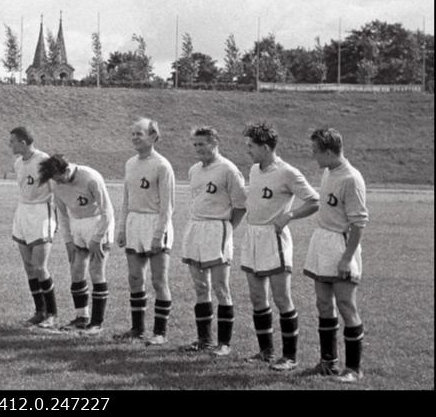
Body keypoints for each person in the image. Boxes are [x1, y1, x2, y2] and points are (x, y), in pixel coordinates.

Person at [241, 122, 319, 370]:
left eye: (251, 146)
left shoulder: (288, 172)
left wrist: (289, 216)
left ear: (265, 147)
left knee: (281, 298)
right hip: (252, 236)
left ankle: (290, 357)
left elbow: (314, 201)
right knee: (256, 297)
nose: (248, 150)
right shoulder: (254, 170)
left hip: (274, 239)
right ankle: (265, 352)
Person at [303, 128, 368, 383]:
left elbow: (359, 223)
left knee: (346, 305)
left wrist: (346, 258)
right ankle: (328, 362)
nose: (313, 157)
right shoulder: (329, 171)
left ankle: (353, 369)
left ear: (329, 152)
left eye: (316, 152)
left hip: (341, 245)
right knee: (323, 303)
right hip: (322, 242)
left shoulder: (351, 178)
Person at [180, 127, 247, 356]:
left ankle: (224, 343)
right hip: (196, 228)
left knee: (220, 287)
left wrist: (227, 229)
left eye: (202, 144)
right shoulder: (194, 170)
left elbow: (240, 205)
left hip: (217, 229)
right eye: (195, 145)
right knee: (201, 287)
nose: (198, 149)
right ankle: (204, 340)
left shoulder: (228, 169)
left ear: (214, 143)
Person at [113, 118, 175, 346]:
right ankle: (137, 329)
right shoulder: (130, 163)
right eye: (133, 134)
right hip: (134, 223)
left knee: (159, 280)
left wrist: (159, 233)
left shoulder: (162, 165)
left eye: (139, 133)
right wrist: (122, 228)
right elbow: (126, 200)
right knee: (135, 278)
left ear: (153, 136)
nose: (135, 138)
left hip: (155, 224)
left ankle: (160, 333)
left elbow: (167, 205)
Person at [38, 154, 115, 335]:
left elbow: (108, 211)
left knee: (96, 272)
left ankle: (96, 323)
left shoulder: (90, 177)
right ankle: (82, 318)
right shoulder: (56, 184)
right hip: (77, 225)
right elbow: (63, 215)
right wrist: (68, 241)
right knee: (76, 270)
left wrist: (97, 238)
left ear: (65, 170)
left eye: (58, 178)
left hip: (98, 223)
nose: (58, 182)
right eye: (54, 180)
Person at [9, 127, 59, 327]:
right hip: (23, 212)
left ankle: (52, 313)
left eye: (12, 141)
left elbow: (56, 188)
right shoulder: (18, 163)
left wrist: (55, 219)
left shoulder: (43, 160)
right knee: (29, 267)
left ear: (23, 142)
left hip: (41, 212)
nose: (9, 145)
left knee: (40, 266)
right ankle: (39, 311)